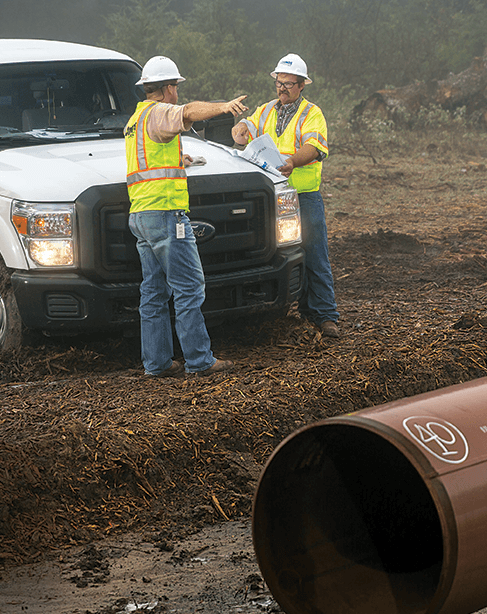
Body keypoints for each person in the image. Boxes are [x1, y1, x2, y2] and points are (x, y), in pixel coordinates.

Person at [126, 55, 247, 376]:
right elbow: (189, 112)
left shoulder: (135, 119)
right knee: (189, 287)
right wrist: (224, 107)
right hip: (165, 214)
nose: (176, 93)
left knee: (153, 292)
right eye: (175, 87)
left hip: (140, 215)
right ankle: (199, 360)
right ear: (168, 88)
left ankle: (157, 364)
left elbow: (149, 160)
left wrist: (182, 160)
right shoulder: (161, 112)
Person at [232, 54, 340, 338]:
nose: (282, 89)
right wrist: (240, 130)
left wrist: (292, 161)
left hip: (303, 195)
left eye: (289, 84)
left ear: (302, 85)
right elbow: (248, 130)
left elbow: (315, 148)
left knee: (315, 253)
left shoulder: (312, 114)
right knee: (283, 255)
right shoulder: (266, 110)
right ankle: (301, 311)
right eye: (279, 83)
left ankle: (327, 315)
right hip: (273, 198)